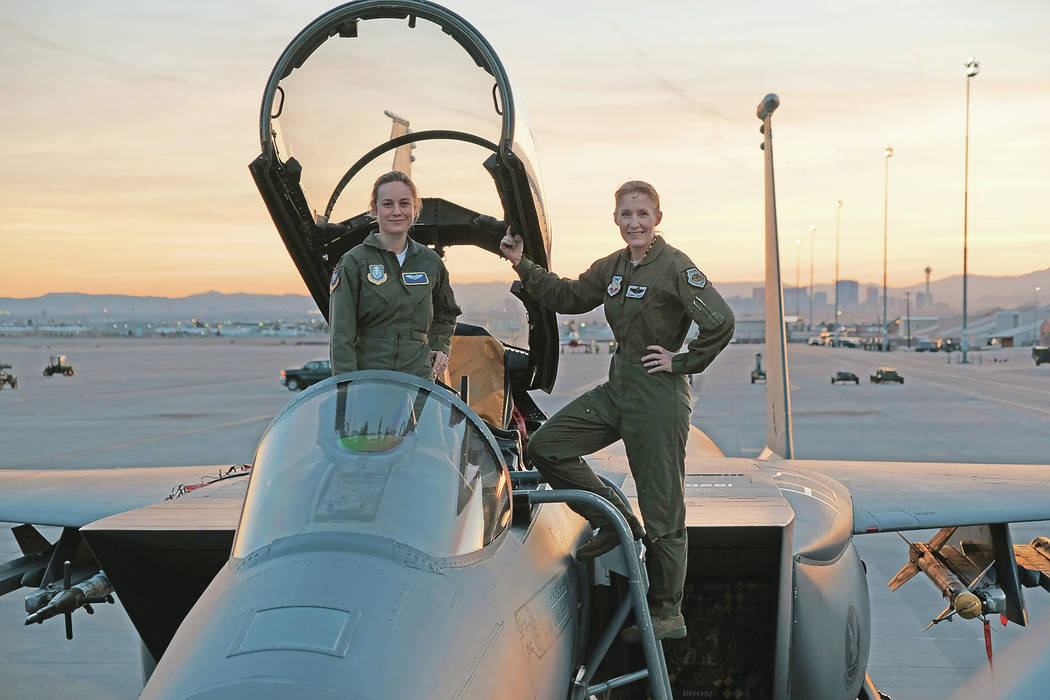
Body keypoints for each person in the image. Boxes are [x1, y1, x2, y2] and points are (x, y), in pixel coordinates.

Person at [499, 180, 734, 642]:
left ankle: (667, 611)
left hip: (658, 399)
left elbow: (720, 322)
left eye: (643, 214)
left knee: (663, 509)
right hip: (618, 388)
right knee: (548, 445)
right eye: (627, 215)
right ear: (616, 219)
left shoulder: (675, 267)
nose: (635, 223)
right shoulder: (613, 267)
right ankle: (613, 519)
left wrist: (681, 361)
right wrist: (520, 263)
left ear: (658, 219)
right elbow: (568, 296)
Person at [330, 171, 461, 380]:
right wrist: (348, 390)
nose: (397, 211)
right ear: (374, 209)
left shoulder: (430, 263)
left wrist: (440, 346)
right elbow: (341, 337)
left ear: (415, 208)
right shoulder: (354, 263)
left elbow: (446, 314)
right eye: (388, 204)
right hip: (370, 381)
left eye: (404, 203)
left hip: (419, 381)